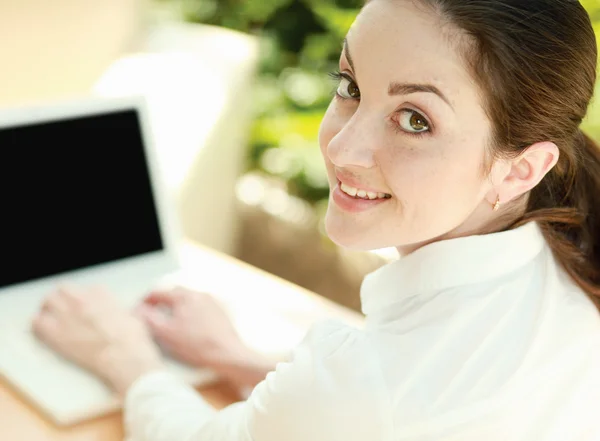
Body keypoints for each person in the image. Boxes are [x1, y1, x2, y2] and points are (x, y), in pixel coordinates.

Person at [33, 0, 600, 439]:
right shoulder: (568, 261)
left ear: (521, 168)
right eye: (351, 86)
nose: (343, 148)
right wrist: (239, 361)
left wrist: (122, 355)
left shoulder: (369, 387)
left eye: (414, 120)